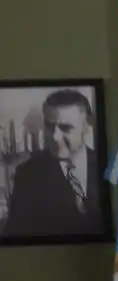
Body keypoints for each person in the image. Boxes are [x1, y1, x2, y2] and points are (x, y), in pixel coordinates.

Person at [2, 88, 106, 239]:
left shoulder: (108, 165)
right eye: (50, 126)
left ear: (88, 126)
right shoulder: (28, 174)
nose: (55, 137)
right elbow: (15, 236)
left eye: (66, 128)